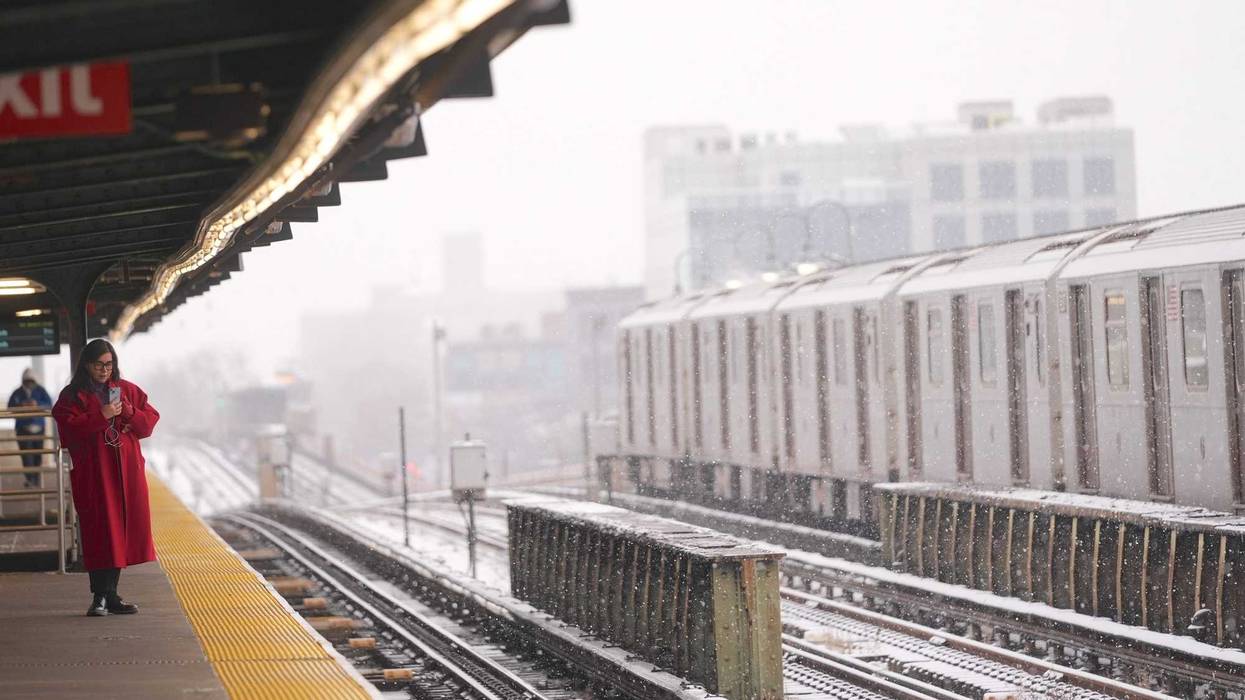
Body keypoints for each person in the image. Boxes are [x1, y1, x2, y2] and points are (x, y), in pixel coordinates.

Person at [52, 339, 159, 617]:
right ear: (87, 364)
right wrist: (101, 416)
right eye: (99, 364)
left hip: (126, 475)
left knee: (120, 532)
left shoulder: (127, 391)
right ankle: (100, 595)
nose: (104, 370)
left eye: (109, 364)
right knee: (100, 531)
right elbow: (68, 428)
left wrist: (130, 412)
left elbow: (149, 424)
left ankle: (109, 596)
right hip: (95, 475)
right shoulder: (72, 396)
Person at [8, 368, 53, 487]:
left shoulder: (41, 391)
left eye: (31, 381)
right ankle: (30, 479)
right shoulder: (17, 393)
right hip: (23, 429)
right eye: (27, 381)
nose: (29, 383)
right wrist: (21, 405)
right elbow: (10, 407)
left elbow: (49, 403)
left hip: (39, 428)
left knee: (37, 455)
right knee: (26, 455)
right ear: (23, 380)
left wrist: (37, 405)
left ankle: (36, 479)